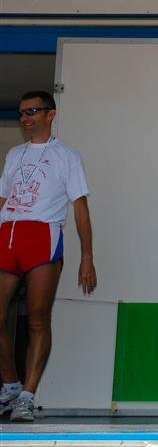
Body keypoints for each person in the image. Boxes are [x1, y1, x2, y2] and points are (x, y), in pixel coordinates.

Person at [0, 90, 96, 422]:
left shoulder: (67, 156)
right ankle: (10, 386)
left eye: (32, 111)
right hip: (8, 233)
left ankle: (27, 396)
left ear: (50, 114)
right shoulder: (14, 154)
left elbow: (80, 207)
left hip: (43, 235)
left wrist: (87, 257)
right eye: (22, 113)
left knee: (38, 319)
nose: (25, 118)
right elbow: (3, 198)